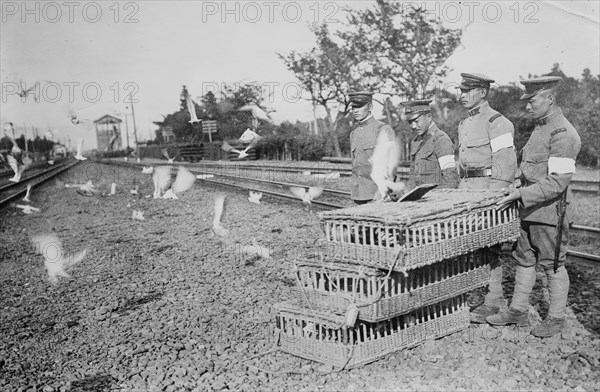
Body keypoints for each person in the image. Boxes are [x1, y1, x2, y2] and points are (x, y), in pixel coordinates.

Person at [488, 76, 581, 337]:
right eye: (527, 101)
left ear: (550, 99)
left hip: (551, 212)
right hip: (529, 209)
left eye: (533, 100)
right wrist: (517, 185)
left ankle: (556, 318)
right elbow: (532, 172)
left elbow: (557, 183)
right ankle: (517, 311)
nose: (528, 106)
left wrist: (520, 193)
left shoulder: (563, 133)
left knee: (553, 265)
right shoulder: (541, 128)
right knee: (524, 259)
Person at [457, 73, 518, 323]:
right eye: (461, 91)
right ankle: (476, 296)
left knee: (489, 250)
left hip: (486, 193)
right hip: (466, 192)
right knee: (469, 249)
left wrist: (494, 199)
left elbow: (505, 164)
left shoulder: (498, 122)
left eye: (468, 91)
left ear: (482, 93)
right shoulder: (464, 124)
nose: (462, 95)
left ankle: (493, 301)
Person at [348, 91, 396, 204]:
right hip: (358, 195)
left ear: (370, 107)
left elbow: (391, 168)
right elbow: (355, 166)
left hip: (377, 195)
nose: (355, 110)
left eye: (359, 107)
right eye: (353, 107)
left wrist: (383, 192)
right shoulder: (354, 134)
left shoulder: (383, 129)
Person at [402, 99, 458, 190]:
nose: (413, 126)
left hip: (436, 200)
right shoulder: (416, 141)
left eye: (416, 121)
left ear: (429, 116)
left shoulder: (441, 140)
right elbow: (413, 177)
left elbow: (451, 181)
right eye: (410, 122)